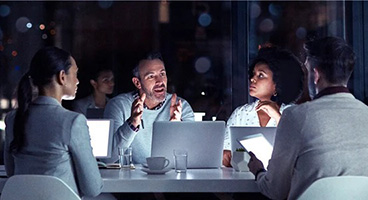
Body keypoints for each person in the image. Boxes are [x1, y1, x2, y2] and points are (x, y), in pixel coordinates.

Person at [248, 37, 368, 199]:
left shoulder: (296, 117)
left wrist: (258, 171)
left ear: (316, 75)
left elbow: (275, 190)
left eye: (307, 71)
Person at [4, 47, 103, 198]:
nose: (77, 81)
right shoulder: (73, 122)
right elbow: (93, 188)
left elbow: (13, 175)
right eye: (75, 74)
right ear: (62, 76)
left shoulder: (12, 119)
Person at [103, 52, 194, 164]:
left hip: (169, 179)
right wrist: (132, 124)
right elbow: (108, 158)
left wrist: (175, 129)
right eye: (151, 76)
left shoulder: (181, 107)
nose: (160, 81)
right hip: (130, 179)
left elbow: (190, 159)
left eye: (162, 74)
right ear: (137, 83)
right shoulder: (118, 105)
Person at [223, 46, 303, 167]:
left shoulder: (293, 113)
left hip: (281, 181)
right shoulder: (241, 113)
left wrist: (277, 116)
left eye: (261, 75)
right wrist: (226, 156)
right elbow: (226, 150)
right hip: (244, 179)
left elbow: (299, 149)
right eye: (253, 74)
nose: (252, 79)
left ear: (278, 83)